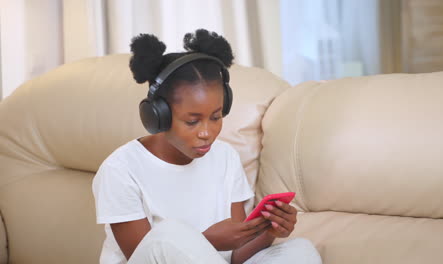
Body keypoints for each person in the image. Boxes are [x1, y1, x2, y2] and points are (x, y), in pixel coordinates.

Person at [92, 29, 322, 264]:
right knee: (169, 235)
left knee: (299, 251)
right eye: (192, 121)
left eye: (216, 117)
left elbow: (235, 256)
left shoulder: (225, 157)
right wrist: (207, 241)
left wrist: (268, 233)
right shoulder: (121, 169)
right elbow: (148, 255)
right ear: (157, 116)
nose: (207, 133)